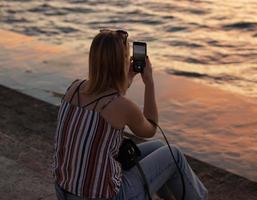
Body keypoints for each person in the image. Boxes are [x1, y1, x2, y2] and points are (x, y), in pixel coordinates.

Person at [52, 29, 208, 200]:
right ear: (121, 63)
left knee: (158, 148)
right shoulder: (121, 106)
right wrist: (149, 82)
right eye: (127, 58)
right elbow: (150, 128)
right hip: (106, 196)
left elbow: (108, 102)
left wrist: (127, 80)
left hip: (65, 192)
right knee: (173, 154)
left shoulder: (74, 89)